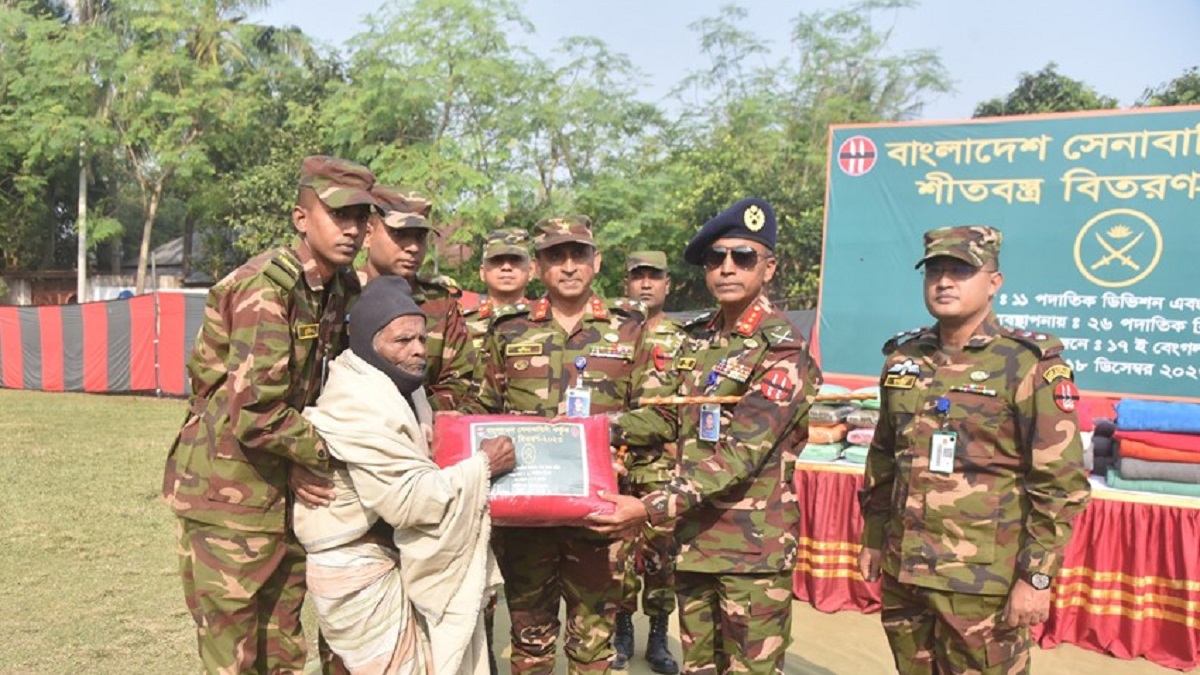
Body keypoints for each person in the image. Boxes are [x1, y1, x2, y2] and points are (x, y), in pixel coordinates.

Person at [161, 155, 375, 674]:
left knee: (281, 651)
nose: (351, 229)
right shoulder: (266, 287)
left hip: (285, 489)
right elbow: (256, 409)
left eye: (361, 218)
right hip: (229, 491)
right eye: (337, 215)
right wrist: (330, 452)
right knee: (233, 655)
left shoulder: (341, 288)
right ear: (302, 218)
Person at [589, 198, 822, 675]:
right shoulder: (697, 339)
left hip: (751, 553)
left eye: (743, 257)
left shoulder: (782, 349)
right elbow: (667, 419)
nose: (727, 268)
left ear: (769, 267)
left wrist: (648, 508)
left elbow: (741, 455)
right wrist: (593, 429)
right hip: (694, 543)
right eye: (716, 259)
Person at [856, 225, 1091, 674]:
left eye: (960, 271)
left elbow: (1059, 483)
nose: (944, 282)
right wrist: (873, 539)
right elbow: (884, 458)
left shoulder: (1026, 363)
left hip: (981, 582)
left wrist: (1035, 578)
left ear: (994, 283)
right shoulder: (904, 359)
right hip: (907, 573)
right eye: (935, 272)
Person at [463, 216, 670, 675]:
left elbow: (661, 414)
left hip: (598, 517)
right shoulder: (508, 329)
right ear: (537, 267)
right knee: (530, 645)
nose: (569, 266)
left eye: (579, 255)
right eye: (556, 256)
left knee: (592, 649)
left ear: (596, 262)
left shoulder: (631, 328)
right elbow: (481, 411)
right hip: (526, 516)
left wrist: (599, 431)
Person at [294, 275, 516, 675]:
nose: (417, 351)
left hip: (382, 558)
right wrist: (483, 465)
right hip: (356, 570)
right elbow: (412, 499)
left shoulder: (397, 388)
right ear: (367, 342)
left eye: (420, 339)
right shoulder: (359, 401)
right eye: (401, 341)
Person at [612, 251, 686, 674]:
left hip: (664, 464)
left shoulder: (687, 337)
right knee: (618, 555)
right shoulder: (613, 334)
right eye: (637, 276)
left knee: (662, 558)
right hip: (619, 463)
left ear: (667, 284)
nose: (645, 284)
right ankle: (623, 631)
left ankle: (658, 636)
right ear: (626, 283)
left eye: (653, 277)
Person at [360, 185, 474, 410]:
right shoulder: (342, 295)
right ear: (367, 234)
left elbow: (460, 380)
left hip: (423, 430)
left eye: (420, 237)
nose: (412, 247)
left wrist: (415, 414)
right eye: (400, 234)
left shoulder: (441, 303)